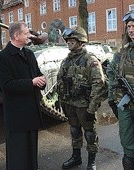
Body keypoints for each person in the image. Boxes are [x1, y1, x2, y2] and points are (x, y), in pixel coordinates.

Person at [0, 22, 46, 170]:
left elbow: (37, 74)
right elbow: (7, 85)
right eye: (26, 33)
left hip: (31, 112)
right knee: (18, 157)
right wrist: (31, 82)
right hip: (17, 116)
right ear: (16, 36)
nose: (29, 36)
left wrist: (41, 81)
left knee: (31, 155)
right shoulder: (3, 57)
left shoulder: (29, 53)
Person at [57, 26, 106, 170]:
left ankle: (92, 161)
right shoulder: (66, 61)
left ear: (80, 41)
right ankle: (76, 157)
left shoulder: (90, 60)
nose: (68, 42)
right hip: (70, 104)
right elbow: (60, 81)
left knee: (90, 134)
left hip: (85, 106)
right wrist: (62, 101)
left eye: (72, 39)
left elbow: (99, 84)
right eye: (67, 40)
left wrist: (92, 108)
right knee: (74, 131)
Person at [107, 10, 134, 170]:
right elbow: (111, 75)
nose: (131, 30)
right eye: (129, 26)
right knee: (128, 148)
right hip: (125, 108)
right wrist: (112, 100)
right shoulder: (122, 52)